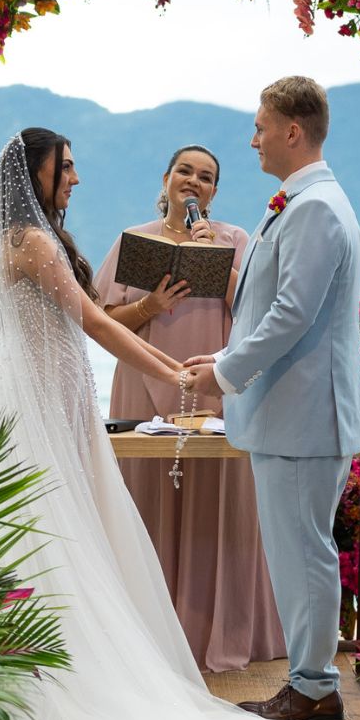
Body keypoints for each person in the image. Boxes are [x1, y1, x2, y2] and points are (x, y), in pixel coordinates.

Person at [0, 127, 360, 720]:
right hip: (55, 412)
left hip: (60, 405)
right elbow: (98, 320)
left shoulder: (34, 235)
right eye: (68, 165)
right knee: (59, 540)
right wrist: (178, 374)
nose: (77, 176)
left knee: (63, 541)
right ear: (38, 171)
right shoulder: (33, 241)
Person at [183, 77, 360, 720]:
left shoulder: (315, 207)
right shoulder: (300, 201)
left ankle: (314, 686)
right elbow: (270, 300)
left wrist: (226, 372)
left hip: (304, 415)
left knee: (305, 550)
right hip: (293, 413)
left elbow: (293, 312)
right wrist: (224, 359)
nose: (252, 137)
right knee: (296, 550)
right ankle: (307, 680)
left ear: (294, 130)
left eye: (261, 125)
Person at [93, 145, 286, 672]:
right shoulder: (135, 240)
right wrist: (150, 306)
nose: (194, 181)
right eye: (186, 171)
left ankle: (211, 629)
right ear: (167, 178)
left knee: (215, 502)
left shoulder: (236, 240)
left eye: (206, 177)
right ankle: (144, 634)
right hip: (144, 381)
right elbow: (104, 322)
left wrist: (218, 263)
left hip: (215, 384)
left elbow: (262, 315)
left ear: (214, 191)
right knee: (145, 498)